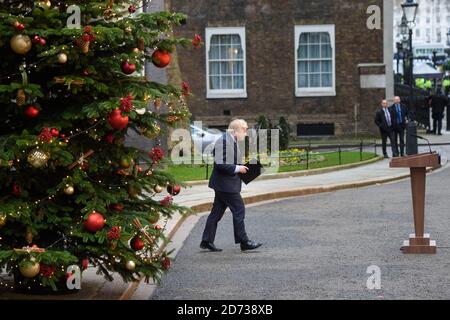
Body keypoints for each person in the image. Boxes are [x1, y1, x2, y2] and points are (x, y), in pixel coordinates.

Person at [200, 119, 263, 252]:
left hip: (224, 184)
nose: (246, 134)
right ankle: (244, 241)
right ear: (235, 130)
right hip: (226, 185)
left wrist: (242, 167)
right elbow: (220, 164)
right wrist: (237, 169)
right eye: (244, 130)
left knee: (216, 213)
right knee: (239, 209)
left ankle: (206, 240)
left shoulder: (229, 141)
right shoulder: (224, 142)